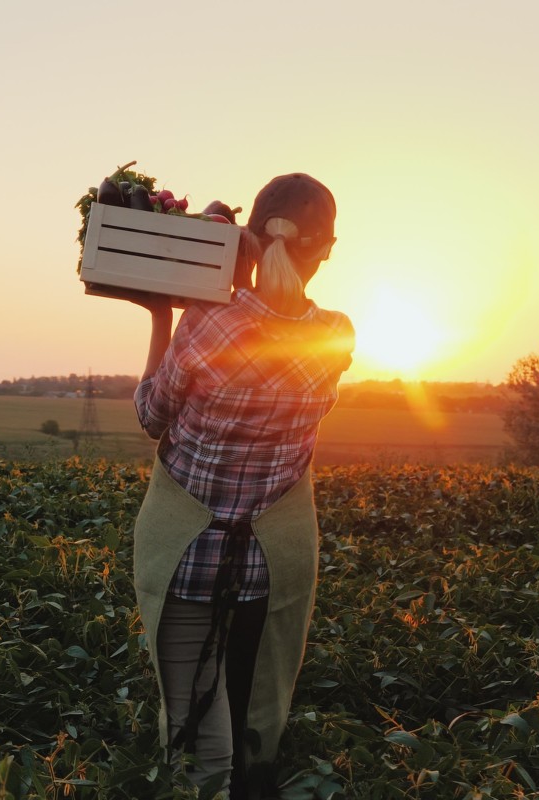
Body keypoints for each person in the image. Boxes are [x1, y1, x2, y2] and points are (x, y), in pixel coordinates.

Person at [131, 173, 355, 798]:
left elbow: (152, 417)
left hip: (187, 561)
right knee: (252, 726)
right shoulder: (337, 336)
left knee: (193, 736)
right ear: (327, 249)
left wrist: (161, 315)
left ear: (252, 238)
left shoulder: (207, 322)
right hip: (269, 566)